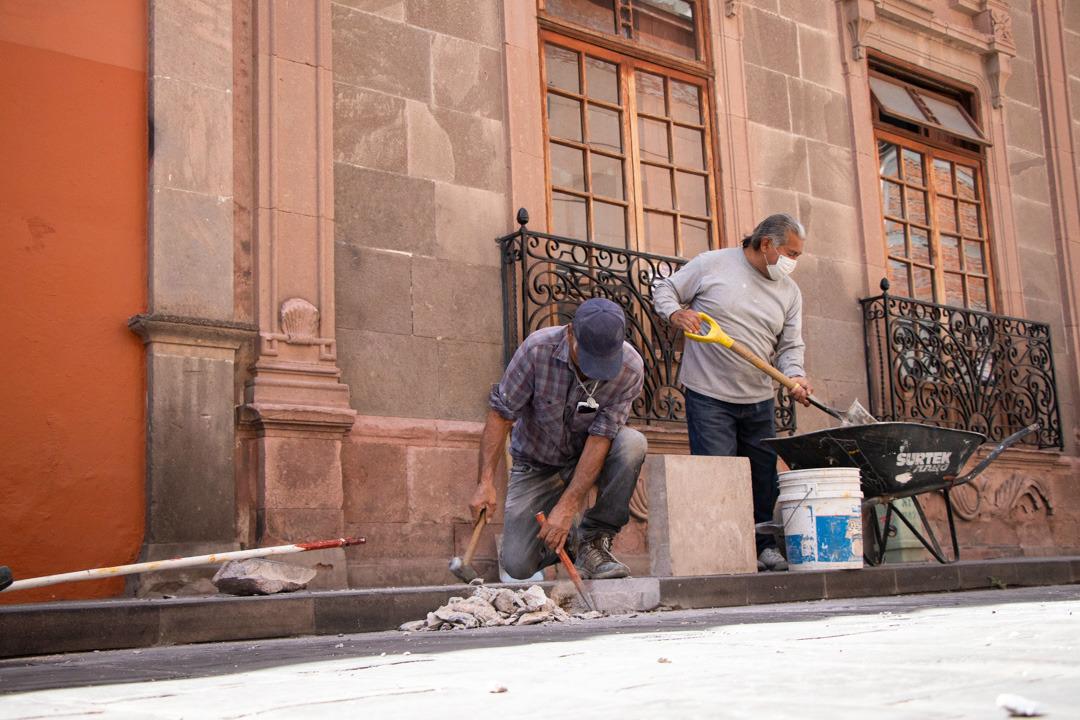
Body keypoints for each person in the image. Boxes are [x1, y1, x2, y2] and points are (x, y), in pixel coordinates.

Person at [652, 213, 812, 572]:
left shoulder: (790, 293)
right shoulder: (713, 264)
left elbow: (790, 347)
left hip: (758, 398)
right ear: (766, 243)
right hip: (708, 394)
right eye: (792, 253)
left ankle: (763, 546)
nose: (794, 262)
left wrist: (796, 376)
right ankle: (722, 553)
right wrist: (675, 314)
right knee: (717, 476)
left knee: (763, 478)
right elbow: (664, 289)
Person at [470, 298, 647, 580]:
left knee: (632, 444)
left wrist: (567, 506)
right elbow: (501, 415)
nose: (593, 371)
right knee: (517, 565)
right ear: (569, 332)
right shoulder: (537, 349)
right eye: (587, 357)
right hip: (536, 462)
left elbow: (602, 437)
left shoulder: (631, 368)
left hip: (587, 456)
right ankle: (575, 543)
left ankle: (594, 540)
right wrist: (486, 482)